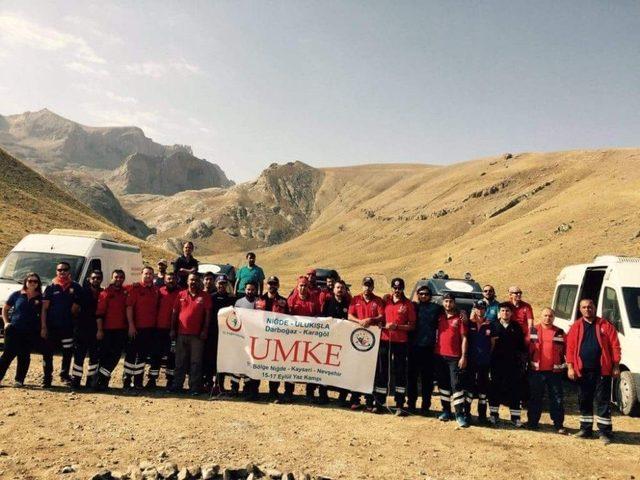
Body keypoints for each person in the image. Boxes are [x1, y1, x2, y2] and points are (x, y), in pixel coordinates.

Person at [566, 299, 621, 444]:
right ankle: (586, 429)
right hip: (582, 370)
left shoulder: (605, 325)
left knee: (602, 401)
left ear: (594, 308)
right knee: (584, 399)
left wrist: (616, 365)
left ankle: (604, 432)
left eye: (590, 307)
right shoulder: (576, 326)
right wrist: (570, 367)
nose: (587, 309)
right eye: (584, 307)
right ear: (580, 309)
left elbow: (615, 346)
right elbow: (570, 349)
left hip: (602, 370)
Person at [41, 261, 82, 387]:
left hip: (68, 327)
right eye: (60, 270)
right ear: (56, 272)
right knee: (48, 353)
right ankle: (47, 378)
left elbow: (78, 306)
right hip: (52, 326)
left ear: (69, 272)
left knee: (67, 352)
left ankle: (64, 375)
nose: (62, 272)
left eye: (65, 270)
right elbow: (44, 309)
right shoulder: (51, 287)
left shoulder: (76, 287)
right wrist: (43, 326)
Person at [378, 278, 415, 416]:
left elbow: (412, 326)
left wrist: (398, 326)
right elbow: (380, 319)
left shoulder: (408, 305)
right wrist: (383, 325)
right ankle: (380, 402)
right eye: (395, 288)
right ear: (391, 288)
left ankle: (400, 403)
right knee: (383, 371)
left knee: (400, 372)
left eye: (399, 288)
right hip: (385, 340)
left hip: (400, 342)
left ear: (403, 289)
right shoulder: (385, 301)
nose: (397, 291)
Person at [347, 276, 385, 411]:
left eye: (369, 286)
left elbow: (382, 316)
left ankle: (369, 401)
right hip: (357, 340)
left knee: (370, 371)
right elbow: (349, 316)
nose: (367, 288)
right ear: (362, 286)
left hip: (372, 342)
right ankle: (355, 399)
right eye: (365, 285)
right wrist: (360, 321)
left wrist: (371, 319)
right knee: (357, 368)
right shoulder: (355, 299)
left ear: (373, 287)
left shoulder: (378, 300)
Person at [170, 273, 211, 395]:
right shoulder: (181, 294)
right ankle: (177, 385)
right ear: (187, 281)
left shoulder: (205, 296)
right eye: (191, 280)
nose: (193, 282)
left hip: (197, 336)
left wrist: (205, 330)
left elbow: (208, 315)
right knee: (180, 361)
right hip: (181, 334)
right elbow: (174, 313)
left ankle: (194, 388)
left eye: (196, 280)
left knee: (196, 362)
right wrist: (172, 329)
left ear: (199, 282)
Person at [527, 308, 566, 433]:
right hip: (536, 371)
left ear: (553, 317)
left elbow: (567, 351)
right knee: (535, 397)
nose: (547, 318)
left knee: (557, 398)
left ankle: (558, 424)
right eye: (545, 315)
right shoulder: (533, 330)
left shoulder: (560, 332)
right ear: (540, 316)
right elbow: (526, 349)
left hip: (554, 372)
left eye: (550, 316)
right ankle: (532, 423)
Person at [0, 273, 43, 387]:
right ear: (26, 282)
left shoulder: (41, 297)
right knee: (7, 355)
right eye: (30, 281)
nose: (32, 283)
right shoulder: (17, 295)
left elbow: (43, 313)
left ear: (38, 283)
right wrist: (6, 322)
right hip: (14, 329)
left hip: (30, 330)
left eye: (35, 281)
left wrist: (42, 327)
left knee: (24, 355)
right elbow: (5, 308)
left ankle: (19, 380)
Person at [488, 302, 527, 427]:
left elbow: (522, 347)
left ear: (511, 313)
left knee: (514, 390)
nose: (505, 313)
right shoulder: (492, 325)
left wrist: (522, 362)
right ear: (499, 312)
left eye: (508, 311)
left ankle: (515, 417)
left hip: (513, 364)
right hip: (496, 364)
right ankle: (494, 415)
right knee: (495, 389)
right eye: (503, 310)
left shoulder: (516, 327)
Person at [434, 293, 469, 427]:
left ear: (454, 303)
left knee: (456, 385)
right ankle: (446, 411)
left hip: (454, 357)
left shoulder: (460, 318)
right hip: (439, 356)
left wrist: (463, 356)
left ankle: (459, 414)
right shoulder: (439, 316)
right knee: (443, 385)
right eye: (446, 301)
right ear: (443, 302)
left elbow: (465, 338)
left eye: (450, 302)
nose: (448, 304)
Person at [408, 285, 442, 415]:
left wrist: (461, 313)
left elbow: (451, 309)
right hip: (413, 347)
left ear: (430, 295)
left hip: (429, 348)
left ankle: (425, 406)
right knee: (412, 378)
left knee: (427, 379)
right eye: (421, 294)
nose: (423, 296)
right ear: (417, 294)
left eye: (426, 294)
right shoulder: (413, 307)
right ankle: (411, 404)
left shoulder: (436, 308)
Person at [124, 266, 159, 390]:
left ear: (153, 276)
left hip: (149, 329)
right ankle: (127, 380)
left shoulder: (155, 290)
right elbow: (129, 307)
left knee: (142, 356)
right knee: (131, 355)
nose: (148, 276)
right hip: (136, 328)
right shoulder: (135, 288)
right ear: (141, 274)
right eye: (146, 273)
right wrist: (131, 325)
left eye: (150, 274)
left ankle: (138, 380)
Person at [288, 276, 323, 403]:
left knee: (310, 366)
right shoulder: (292, 300)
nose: (303, 288)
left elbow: (319, 316)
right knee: (292, 364)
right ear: (297, 287)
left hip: (310, 339)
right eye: (301, 286)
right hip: (295, 339)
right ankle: (288, 391)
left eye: (305, 286)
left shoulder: (314, 301)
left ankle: (310, 392)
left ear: (308, 287)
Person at [255, 276, 290, 402]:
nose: (272, 286)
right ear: (266, 285)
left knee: (274, 366)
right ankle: (254, 390)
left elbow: (288, 320)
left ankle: (273, 392)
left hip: (276, 339)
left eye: (274, 283)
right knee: (258, 364)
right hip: (260, 338)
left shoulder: (284, 302)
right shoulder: (258, 300)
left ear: (278, 285)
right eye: (270, 283)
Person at [93, 270, 129, 391]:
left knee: (116, 356)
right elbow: (99, 314)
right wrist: (99, 330)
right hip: (107, 330)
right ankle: (101, 382)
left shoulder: (126, 292)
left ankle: (101, 378)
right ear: (112, 278)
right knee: (105, 356)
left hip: (121, 330)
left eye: (121, 277)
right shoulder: (105, 293)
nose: (118, 279)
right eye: (116, 277)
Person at [464, 301, 497, 424]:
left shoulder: (490, 325)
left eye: (482, 308)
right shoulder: (469, 324)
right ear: (474, 309)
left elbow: (493, 344)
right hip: (471, 361)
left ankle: (482, 416)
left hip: (484, 362)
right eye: (478, 308)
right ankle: (466, 413)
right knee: (469, 387)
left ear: (486, 310)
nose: (480, 310)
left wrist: (487, 355)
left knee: (483, 389)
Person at [203, 274, 236, 394]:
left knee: (222, 360)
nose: (222, 286)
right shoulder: (210, 297)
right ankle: (208, 383)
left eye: (224, 284)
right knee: (210, 359)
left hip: (226, 334)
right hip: (212, 333)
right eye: (220, 283)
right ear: (216, 284)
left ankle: (220, 384)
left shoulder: (231, 299)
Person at [70, 270, 103, 389]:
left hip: (97, 329)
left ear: (101, 279)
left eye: (98, 278)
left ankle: (90, 381)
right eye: (94, 278)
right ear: (89, 279)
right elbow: (74, 309)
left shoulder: (103, 293)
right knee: (79, 355)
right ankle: (76, 380)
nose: (96, 280)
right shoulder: (82, 292)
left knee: (94, 356)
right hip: (82, 328)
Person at [321, 279, 351, 406]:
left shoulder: (349, 303)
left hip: (344, 341)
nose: (340, 290)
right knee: (325, 367)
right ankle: (323, 395)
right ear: (333, 289)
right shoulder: (327, 303)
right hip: (329, 340)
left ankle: (342, 397)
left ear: (345, 290)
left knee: (343, 368)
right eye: (338, 287)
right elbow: (321, 319)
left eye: (342, 288)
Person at [149, 271, 181, 389]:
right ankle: (152, 379)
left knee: (172, 357)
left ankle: (170, 380)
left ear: (176, 280)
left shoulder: (181, 293)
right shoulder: (159, 291)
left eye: (173, 279)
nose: (170, 281)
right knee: (155, 355)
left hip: (174, 331)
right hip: (159, 329)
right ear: (164, 280)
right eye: (168, 279)